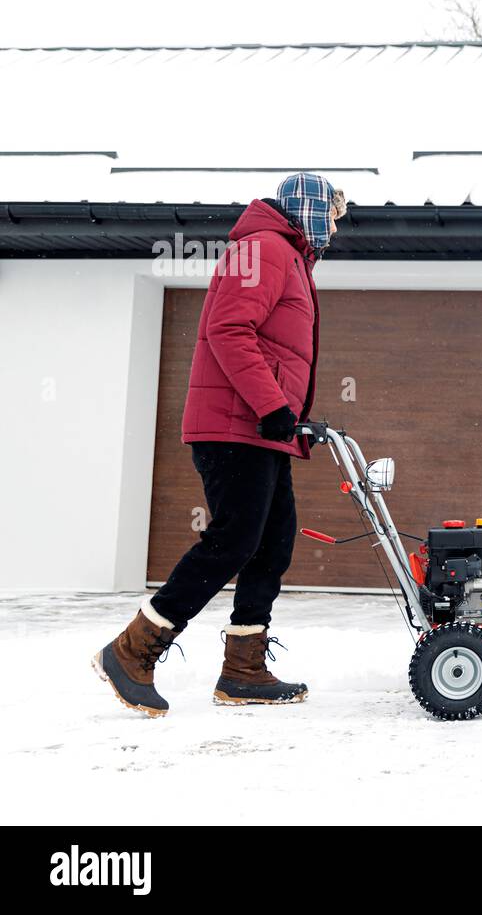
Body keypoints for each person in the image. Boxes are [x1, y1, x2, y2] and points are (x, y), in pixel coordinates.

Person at [92, 172, 346, 717]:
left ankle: (243, 670)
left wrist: (285, 415)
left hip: (261, 431)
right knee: (234, 539)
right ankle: (133, 650)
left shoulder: (289, 257)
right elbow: (230, 330)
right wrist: (272, 405)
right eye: (332, 214)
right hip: (234, 425)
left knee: (272, 545)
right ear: (308, 209)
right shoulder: (263, 249)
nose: (334, 227)